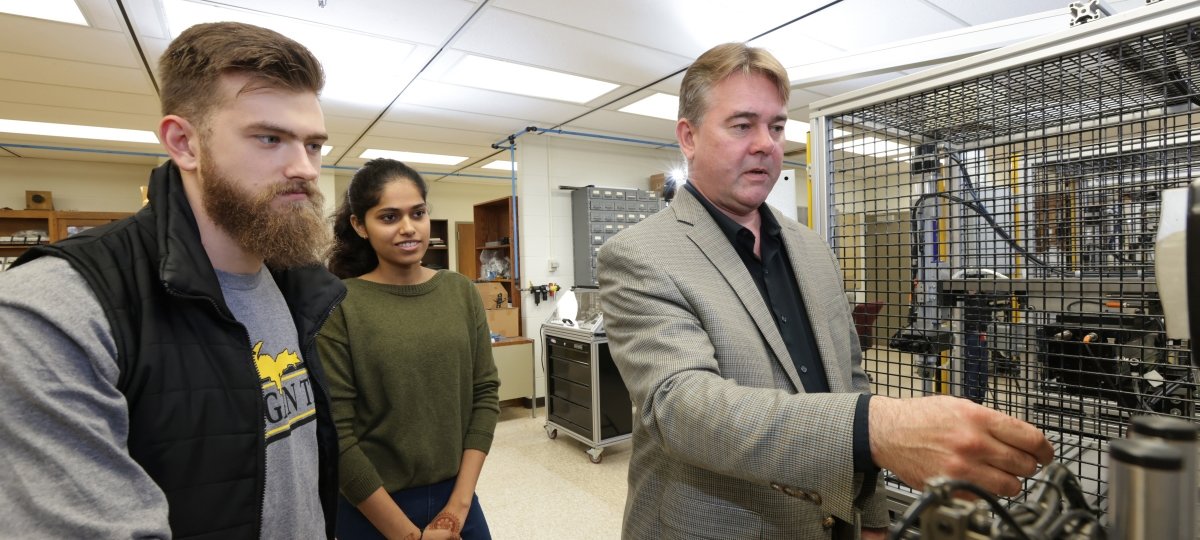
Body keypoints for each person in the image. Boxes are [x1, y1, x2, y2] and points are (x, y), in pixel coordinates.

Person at [597, 42, 1055, 540]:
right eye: (742, 124)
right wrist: (879, 429)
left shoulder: (812, 249)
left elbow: (850, 379)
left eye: (776, 127)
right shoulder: (640, 255)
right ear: (688, 136)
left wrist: (874, 518)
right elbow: (684, 410)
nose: (766, 144)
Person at [0, 21, 342, 539]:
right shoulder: (56, 308)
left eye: (314, 145)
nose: (305, 168)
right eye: (270, 138)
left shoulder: (296, 282)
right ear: (184, 142)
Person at [320, 158, 500, 540]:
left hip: (459, 498)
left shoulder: (460, 291)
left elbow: (484, 394)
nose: (408, 228)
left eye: (417, 213)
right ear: (359, 225)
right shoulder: (340, 305)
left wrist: (458, 508)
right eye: (388, 217)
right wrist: (407, 535)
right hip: (373, 509)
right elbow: (336, 432)